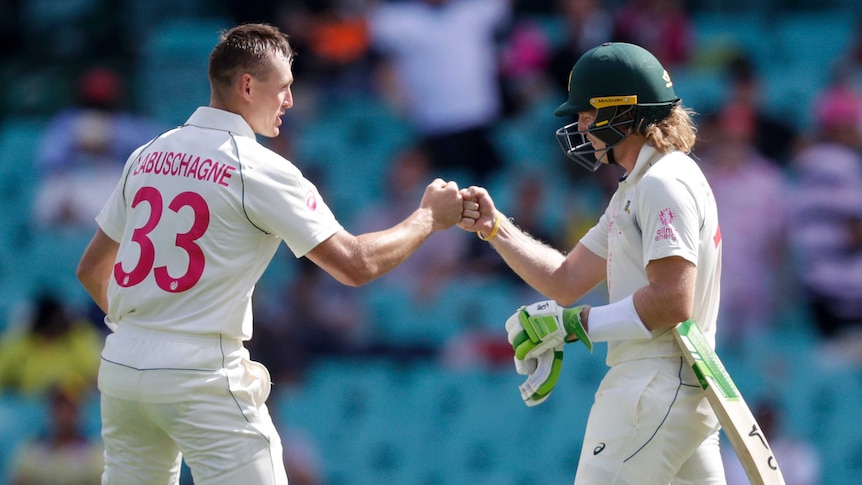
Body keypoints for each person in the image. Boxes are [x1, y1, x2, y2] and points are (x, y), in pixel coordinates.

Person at [75, 23, 465, 485]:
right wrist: (428, 218)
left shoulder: (146, 155)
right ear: (247, 86)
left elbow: (91, 270)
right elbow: (356, 264)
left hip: (123, 367)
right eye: (283, 88)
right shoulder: (258, 168)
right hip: (200, 374)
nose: (290, 102)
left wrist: (145, 336)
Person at [459, 42, 725, 483]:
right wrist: (495, 227)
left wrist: (575, 325)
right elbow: (565, 280)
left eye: (586, 113)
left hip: (652, 386)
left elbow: (674, 300)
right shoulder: (637, 187)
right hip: (676, 388)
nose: (581, 126)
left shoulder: (662, 181)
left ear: (622, 110)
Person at [8, 385, 104, 485]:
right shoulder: (32, 452)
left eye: (70, 408)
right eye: (59, 408)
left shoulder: (93, 454)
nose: (64, 415)